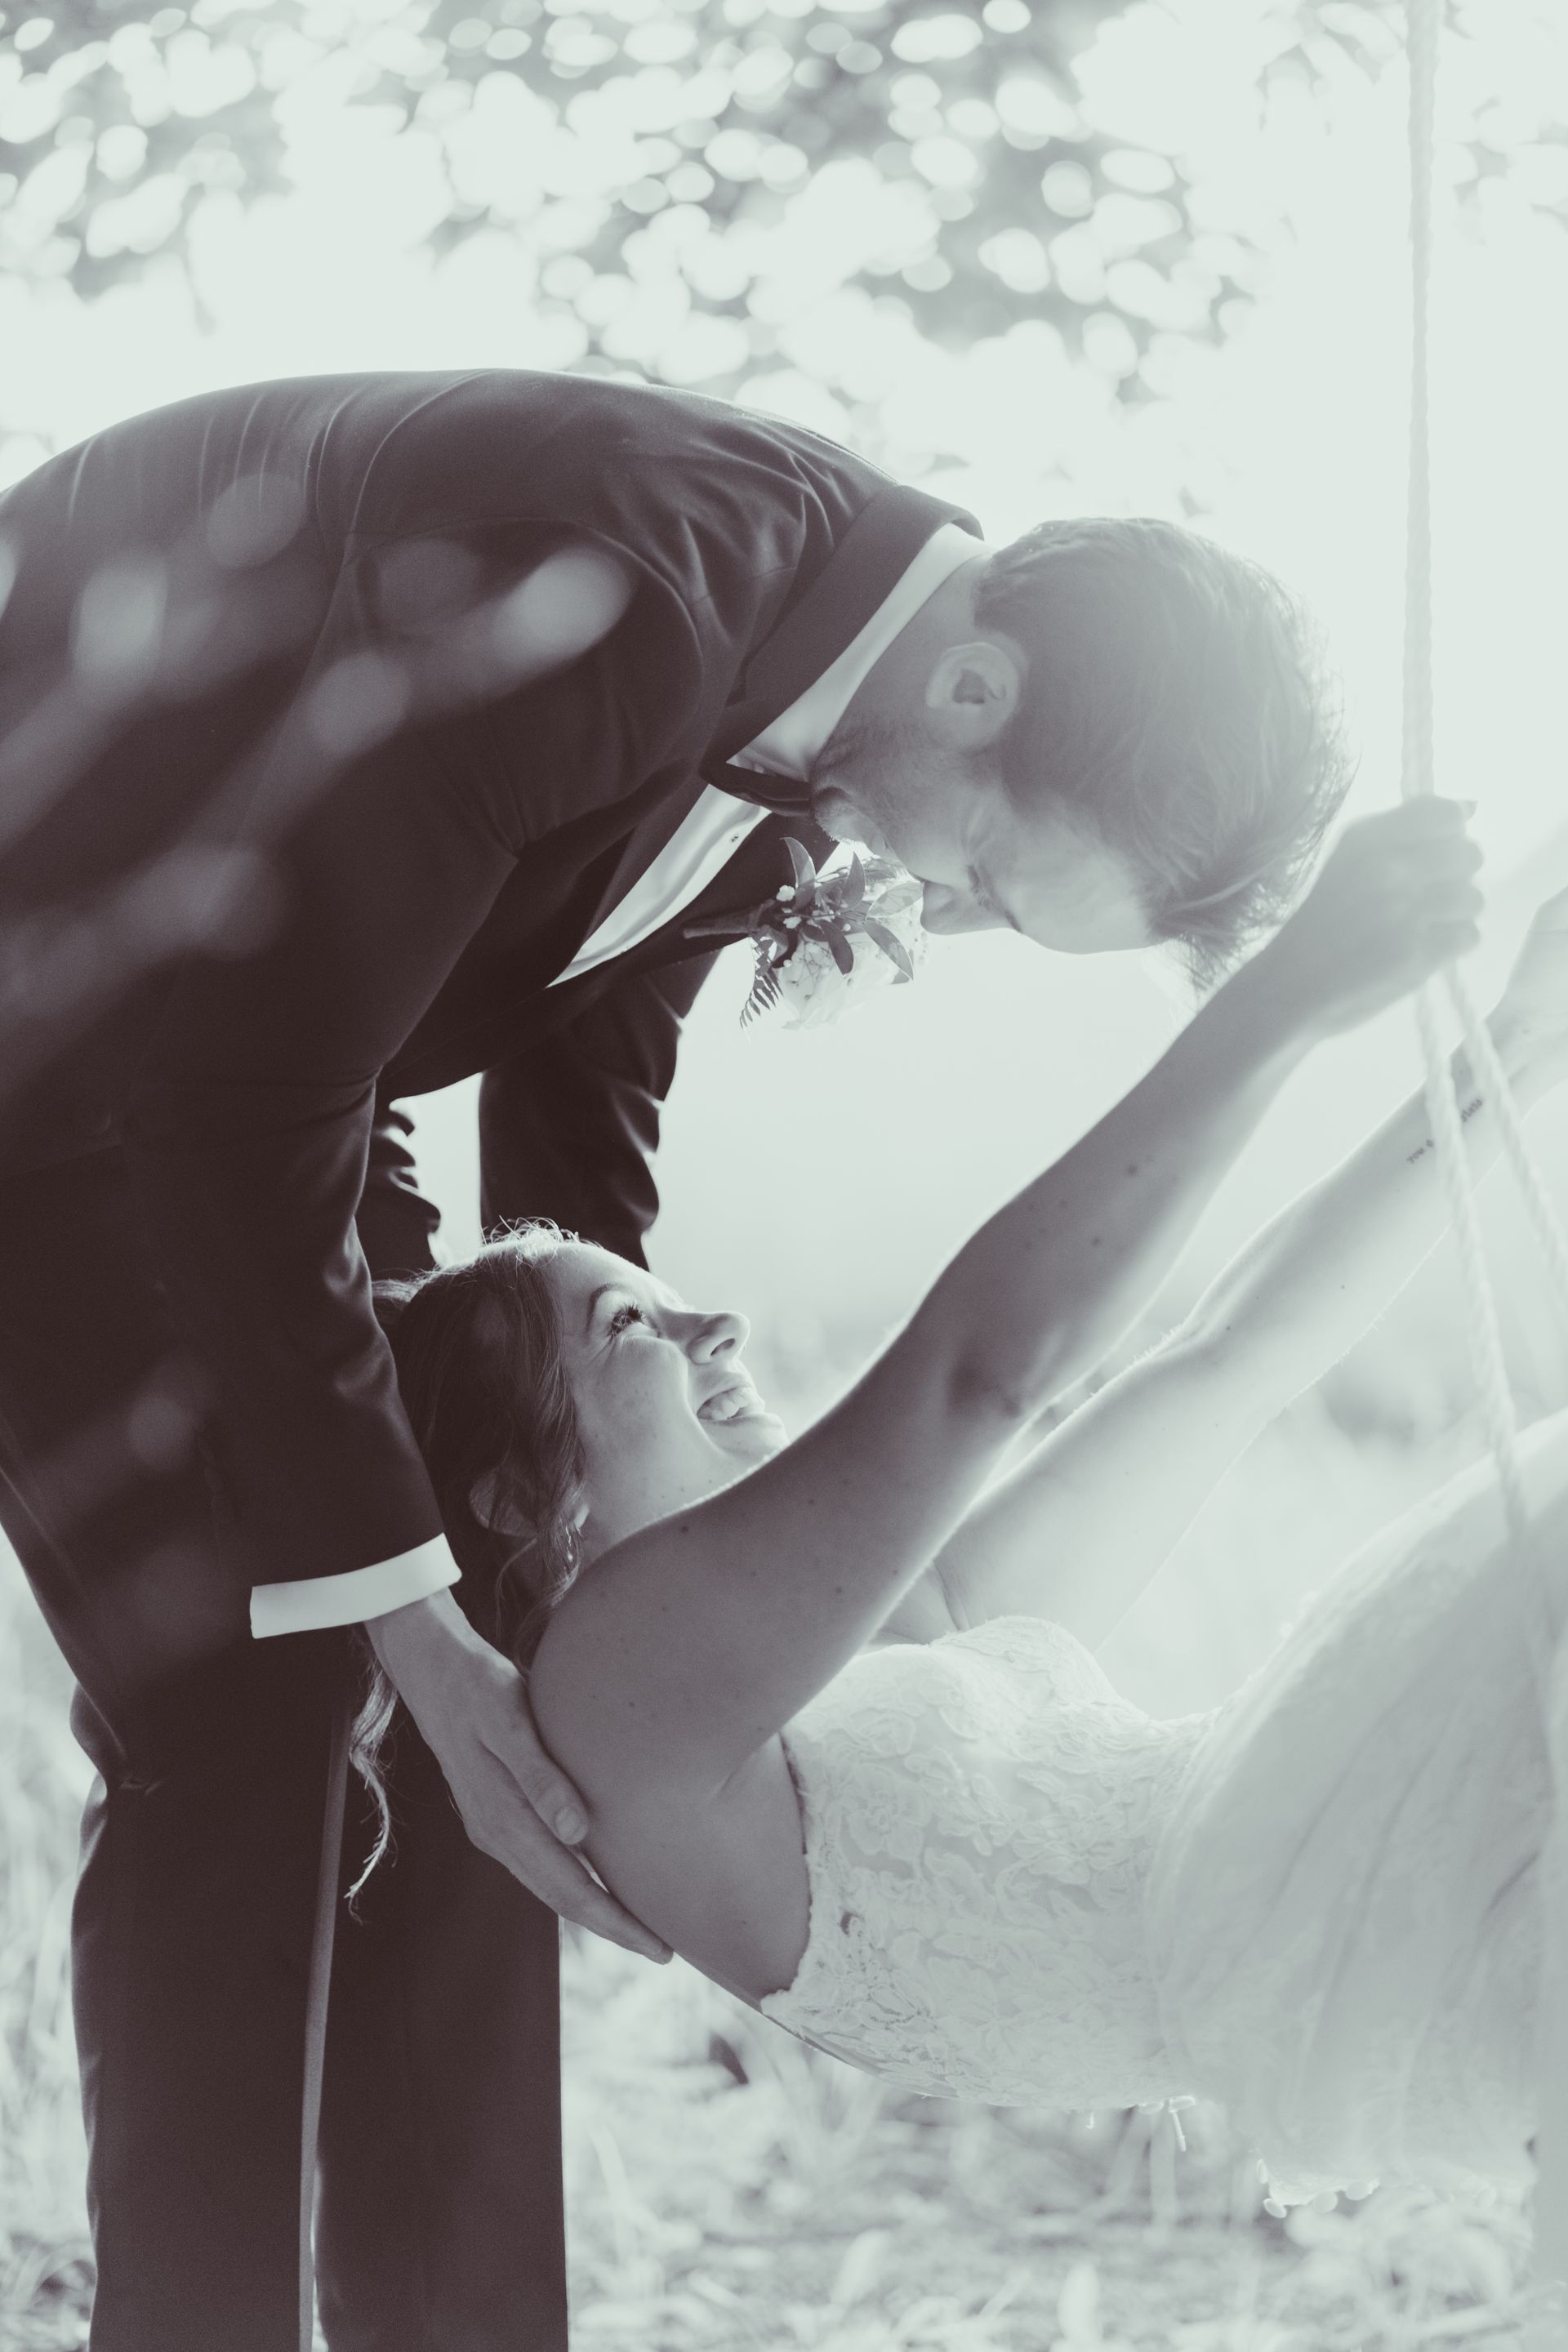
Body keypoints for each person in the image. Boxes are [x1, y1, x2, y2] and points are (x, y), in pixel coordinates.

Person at [0, 367, 1348, 2348]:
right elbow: (234, 1104)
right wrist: (413, 1633)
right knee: (266, 1699)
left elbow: (575, 1071)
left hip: (251, 1084)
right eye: (985, 883)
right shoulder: (636, 585)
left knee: (508, 1704)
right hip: (63, 1057)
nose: (935, 912)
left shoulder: (820, 694)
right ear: (978, 693)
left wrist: (610, 1566)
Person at [366, 802, 1568, 2292]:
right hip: (1288, 1905)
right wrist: (1286, 994)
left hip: (1299, 1883)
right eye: (632, 1328)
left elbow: (1231, 1360)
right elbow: (975, 1369)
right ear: (512, 1501)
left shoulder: (894, 1637)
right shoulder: (611, 1690)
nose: (714, 1324)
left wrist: (1509, 1047)